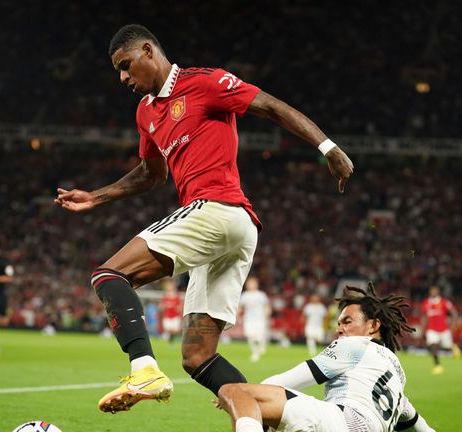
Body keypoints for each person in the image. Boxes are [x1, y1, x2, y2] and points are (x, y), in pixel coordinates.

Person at [54, 24, 354, 414]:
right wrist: (96, 196)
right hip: (232, 233)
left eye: (125, 65)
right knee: (198, 357)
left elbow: (271, 106)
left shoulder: (205, 82)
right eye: (118, 71)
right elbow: (152, 174)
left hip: (217, 210)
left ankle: (143, 368)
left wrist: (327, 147)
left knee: (109, 276)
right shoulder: (146, 113)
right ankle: (306, 417)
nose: (123, 78)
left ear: (148, 51)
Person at [217, 283, 436, 432]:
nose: (340, 329)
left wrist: (240, 401)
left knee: (234, 391)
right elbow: (416, 421)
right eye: (339, 323)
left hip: (343, 422)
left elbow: (279, 383)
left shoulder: (353, 346)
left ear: (372, 325)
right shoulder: (396, 372)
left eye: (347, 322)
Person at [420, 285, 461, 374]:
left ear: (438, 292)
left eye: (435, 291)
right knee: (433, 345)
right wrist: (423, 327)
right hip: (432, 329)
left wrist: (454, 323)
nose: (433, 292)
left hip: (444, 329)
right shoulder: (426, 303)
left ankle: (453, 347)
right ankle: (437, 365)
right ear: (430, 292)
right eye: (432, 291)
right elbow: (424, 316)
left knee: (447, 347)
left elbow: (453, 312)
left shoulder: (444, 302)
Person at [239, 276, 272, 362]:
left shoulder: (261, 295)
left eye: (253, 283)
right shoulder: (245, 295)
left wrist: (267, 313)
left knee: (259, 336)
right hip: (248, 319)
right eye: (249, 283)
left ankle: (261, 345)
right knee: (250, 336)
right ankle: (255, 353)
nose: (251, 285)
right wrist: (237, 315)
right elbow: (240, 307)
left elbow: (267, 305)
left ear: (256, 284)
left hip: (260, 319)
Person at [160, 278, 183, 343]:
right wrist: (163, 307)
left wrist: (178, 309)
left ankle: (171, 338)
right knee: (167, 329)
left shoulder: (177, 296)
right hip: (167, 316)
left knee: (176, 330)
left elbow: (180, 307)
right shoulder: (165, 296)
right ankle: (169, 339)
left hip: (175, 316)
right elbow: (162, 306)